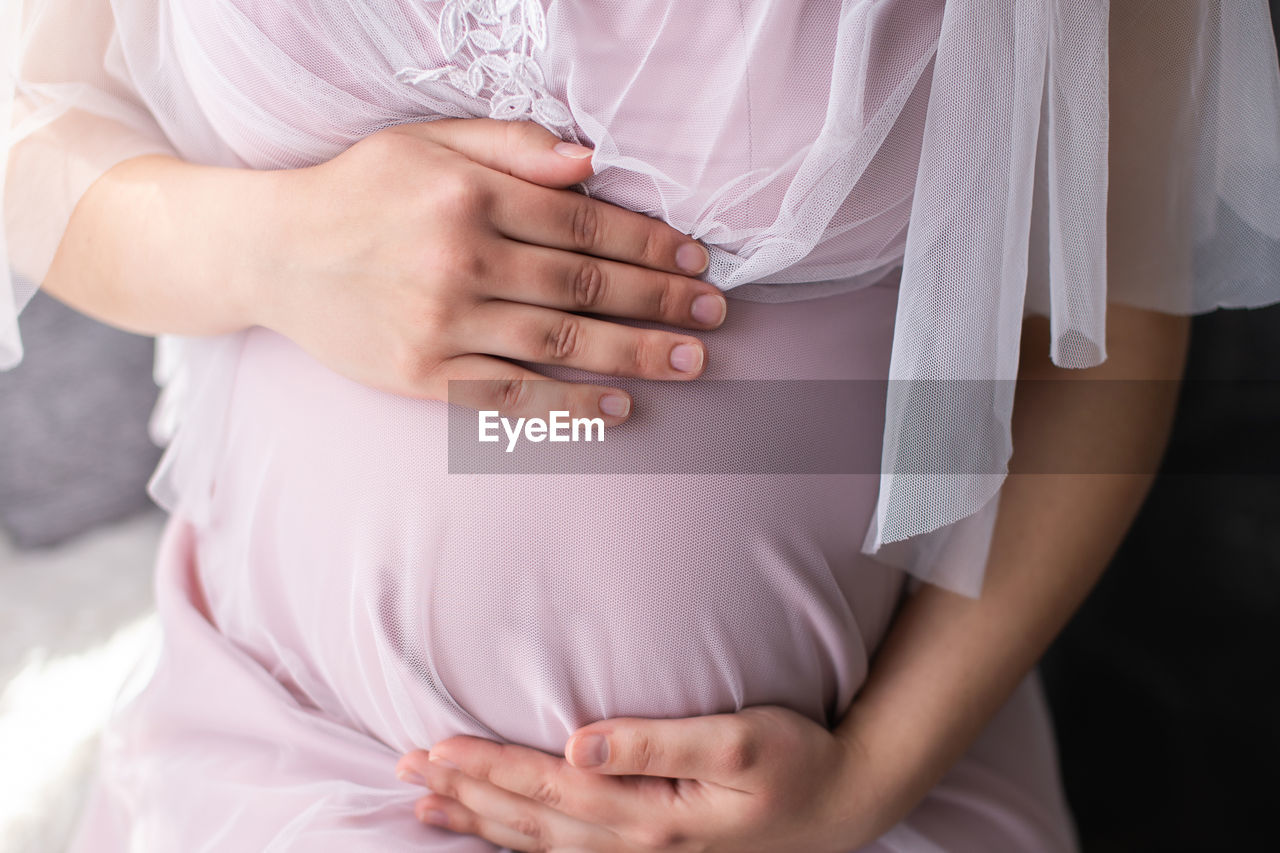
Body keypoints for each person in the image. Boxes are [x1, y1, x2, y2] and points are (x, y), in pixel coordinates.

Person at [3, 2, 1279, 850]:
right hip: (276, 760)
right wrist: (267, 251)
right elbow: (29, 129)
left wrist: (859, 789)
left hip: (828, 802)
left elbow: (1113, 308)